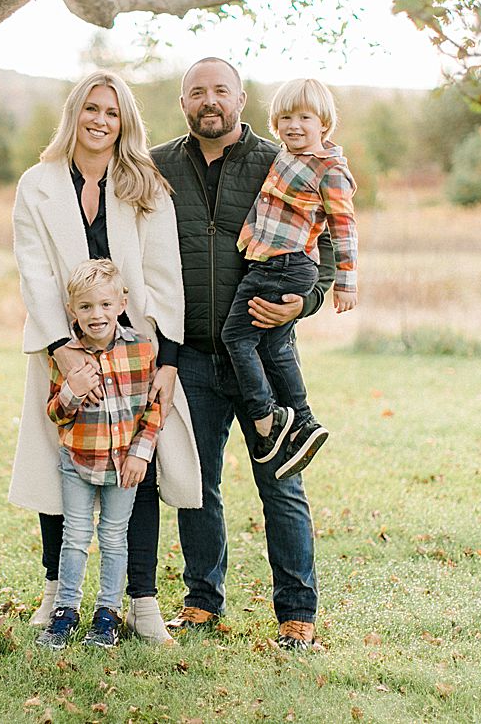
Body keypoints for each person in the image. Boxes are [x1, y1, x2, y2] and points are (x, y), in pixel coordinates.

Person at [8, 71, 201, 646]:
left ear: (125, 123)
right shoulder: (37, 184)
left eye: (112, 113)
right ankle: (55, 593)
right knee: (58, 462)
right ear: (74, 113)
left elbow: (166, 275)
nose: (99, 120)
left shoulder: (144, 185)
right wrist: (63, 352)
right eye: (91, 108)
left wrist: (167, 360)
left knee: (135, 468)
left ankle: (140, 601)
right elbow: (34, 270)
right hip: (62, 344)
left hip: (136, 350)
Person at [150, 58, 336, 651]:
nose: (210, 101)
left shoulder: (281, 161)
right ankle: (203, 602)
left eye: (220, 91)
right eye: (197, 91)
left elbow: (326, 242)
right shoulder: (158, 167)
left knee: (280, 483)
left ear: (242, 99)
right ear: (183, 102)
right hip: (192, 359)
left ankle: (297, 614)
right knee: (195, 483)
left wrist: (302, 303)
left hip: (262, 350)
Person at [221, 77, 357, 480]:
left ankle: (268, 418)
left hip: (283, 265)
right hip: (272, 261)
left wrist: (346, 282)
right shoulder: (284, 155)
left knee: (237, 337)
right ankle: (305, 424)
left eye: (304, 117)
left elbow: (343, 226)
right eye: (284, 118)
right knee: (276, 346)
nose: (293, 125)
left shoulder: (329, 169)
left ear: (324, 124)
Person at [35, 259, 162, 649]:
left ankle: (108, 612)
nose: (96, 315)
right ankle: (66, 610)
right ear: (72, 310)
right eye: (86, 307)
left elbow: (152, 409)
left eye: (105, 305)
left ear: (122, 303)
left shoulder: (140, 349)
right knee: (74, 536)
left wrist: (141, 454)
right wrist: (73, 389)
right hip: (78, 462)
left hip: (124, 465)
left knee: (113, 536)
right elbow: (55, 411)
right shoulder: (67, 356)